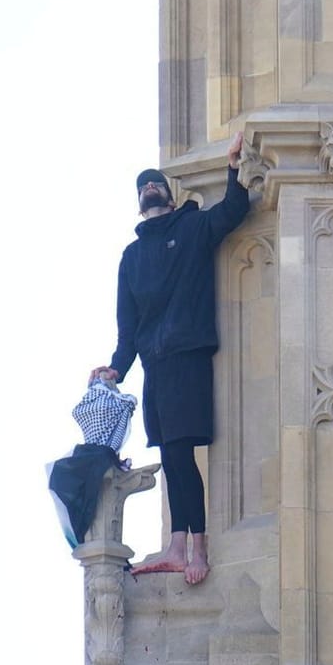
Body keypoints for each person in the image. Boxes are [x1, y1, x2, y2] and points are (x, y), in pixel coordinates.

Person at [90, 132, 252, 585]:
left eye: (154, 183)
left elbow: (234, 211)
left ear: (168, 192)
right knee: (171, 456)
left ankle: (195, 548)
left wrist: (234, 166)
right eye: (142, 187)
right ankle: (177, 544)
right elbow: (128, 331)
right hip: (155, 365)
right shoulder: (132, 257)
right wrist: (115, 369)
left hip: (186, 355)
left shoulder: (191, 228)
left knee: (182, 453)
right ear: (138, 203)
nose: (149, 188)